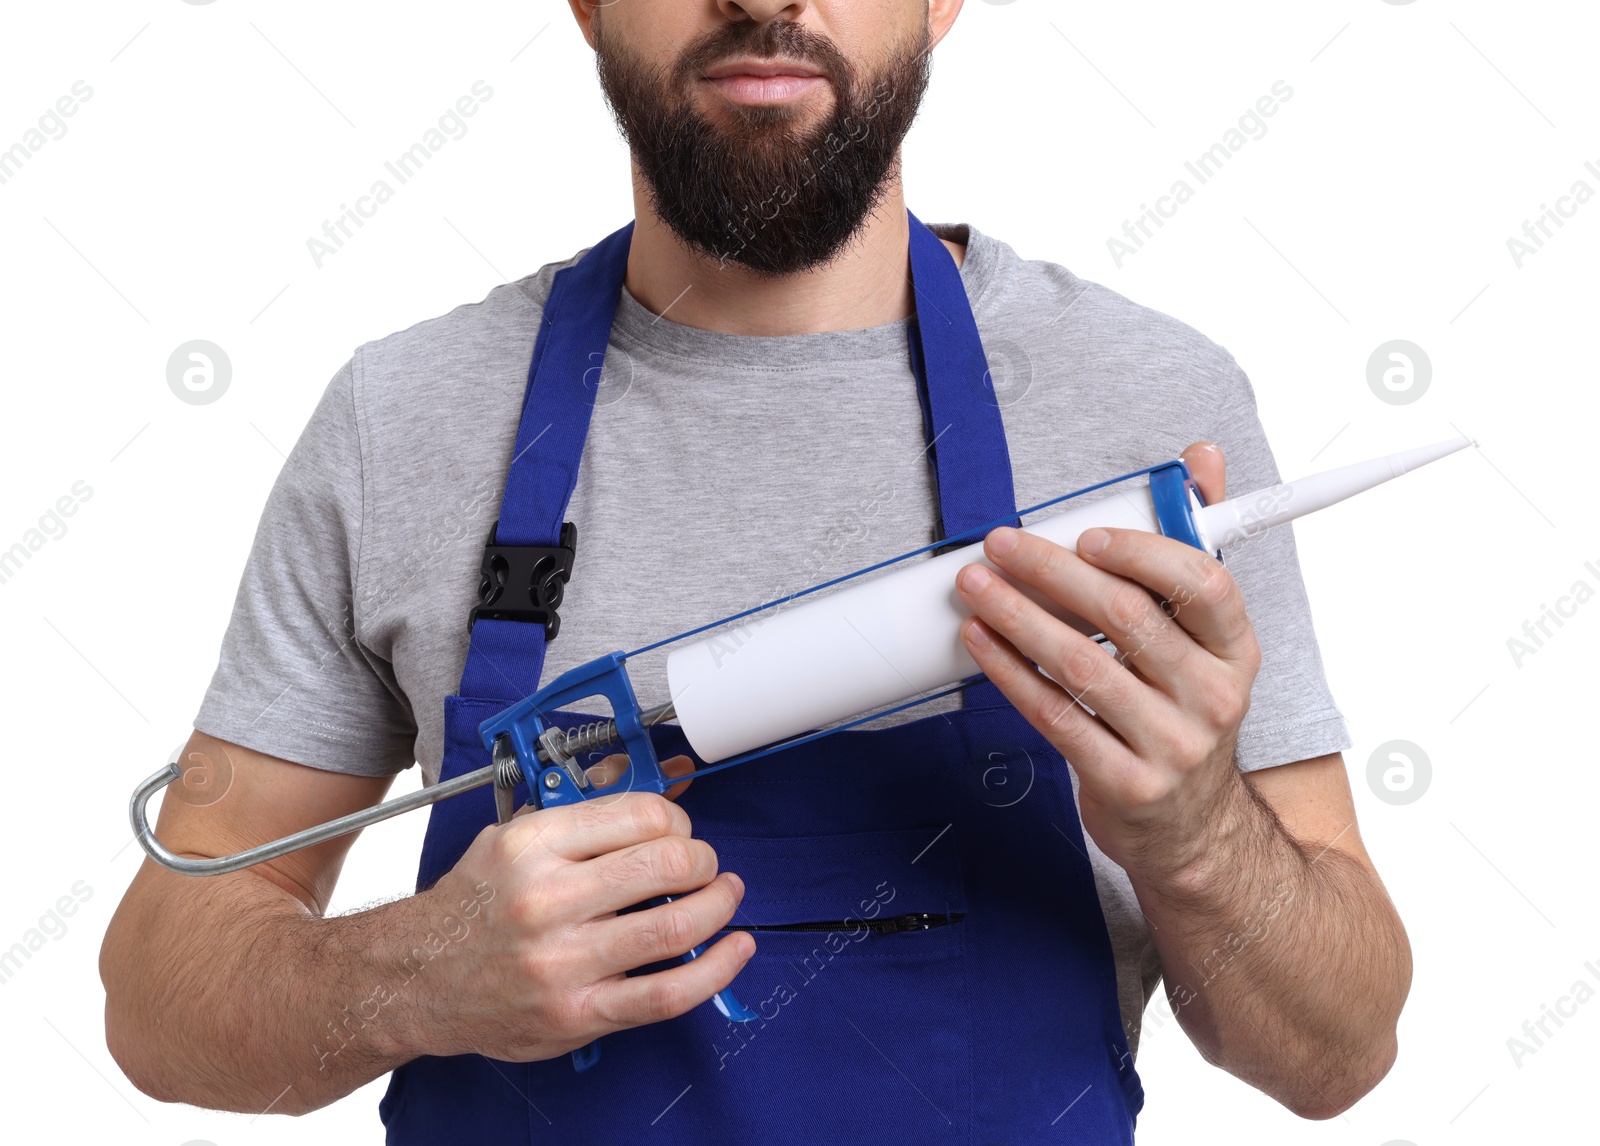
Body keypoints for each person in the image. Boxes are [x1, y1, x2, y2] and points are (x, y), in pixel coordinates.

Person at [101, 1, 1411, 1141]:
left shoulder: (1146, 416)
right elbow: (158, 1002)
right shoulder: (409, 417)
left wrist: (1193, 836)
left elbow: (1334, 1054)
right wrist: (402, 972)